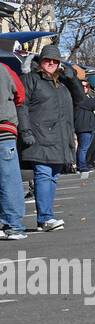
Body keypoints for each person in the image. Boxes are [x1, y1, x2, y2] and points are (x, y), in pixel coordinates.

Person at [16, 44, 76, 232]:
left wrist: (71, 77)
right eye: (47, 60)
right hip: (39, 136)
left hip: (59, 138)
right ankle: (45, 217)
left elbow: (80, 100)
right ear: (40, 61)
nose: (51, 63)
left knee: (53, 177)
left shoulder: (61, 83)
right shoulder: (30, 79)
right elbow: (22, 106)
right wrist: (25, 131)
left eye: (55, 61)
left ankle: (46, 218)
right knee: (43, 174)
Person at [0, 60, 28, 239]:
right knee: (10, 179)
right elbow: (21, 95)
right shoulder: (4, 69)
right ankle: (14, 225)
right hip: (4, 129)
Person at [74, 75, 95, 179]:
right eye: (82, 86)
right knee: (83, 148)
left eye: (86, 86)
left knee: (86, 147)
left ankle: (82, 164)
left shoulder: (89, 96)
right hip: (82, 126)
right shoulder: (78, 98)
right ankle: (82, 166)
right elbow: (93, 104)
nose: (85, 88)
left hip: (90, 126)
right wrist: (91, 101)